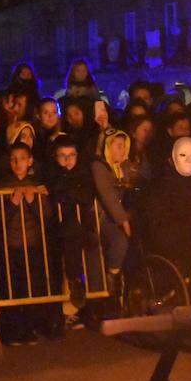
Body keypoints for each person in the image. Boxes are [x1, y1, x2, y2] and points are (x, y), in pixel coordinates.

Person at [0, 141, 55, 344]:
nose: (18, 163)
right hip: (11, 245)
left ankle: (29, 328)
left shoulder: (36, 185)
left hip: (33, 243)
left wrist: (32, 200)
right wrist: (12, 203)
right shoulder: (1, 186)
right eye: (14, 159)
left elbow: (46, 216)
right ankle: (12, 331)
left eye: (22, 159)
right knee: (12, 287)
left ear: (30, 161)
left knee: (32, 287)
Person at [142, 137, 191, 283]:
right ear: (171, 160)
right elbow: (159, 227)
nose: (188, 160)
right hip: (176, 242)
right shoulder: (160, 188)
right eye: (183, 155)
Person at [46, 135, 104, 327]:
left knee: (92, 263)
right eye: (62, 155)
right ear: (55, 157)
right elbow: (55, 191)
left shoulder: (83, 173)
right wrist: (68, 189)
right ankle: (73, 285)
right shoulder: (52, 174)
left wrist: (68, 191)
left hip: (85, 228)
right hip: (61, 229)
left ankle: (91, 307)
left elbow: (86, 195)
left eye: (71, 155)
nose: (68, 160)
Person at [90, 128, 133, 301]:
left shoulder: (123, 166)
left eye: (124, 146)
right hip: (101, 220)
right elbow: (107, 193)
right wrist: (123, 220)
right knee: (119, 241)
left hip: (117, 218)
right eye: (118, 146)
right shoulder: (98, 166)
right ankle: (111, 278)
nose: (122, 150)